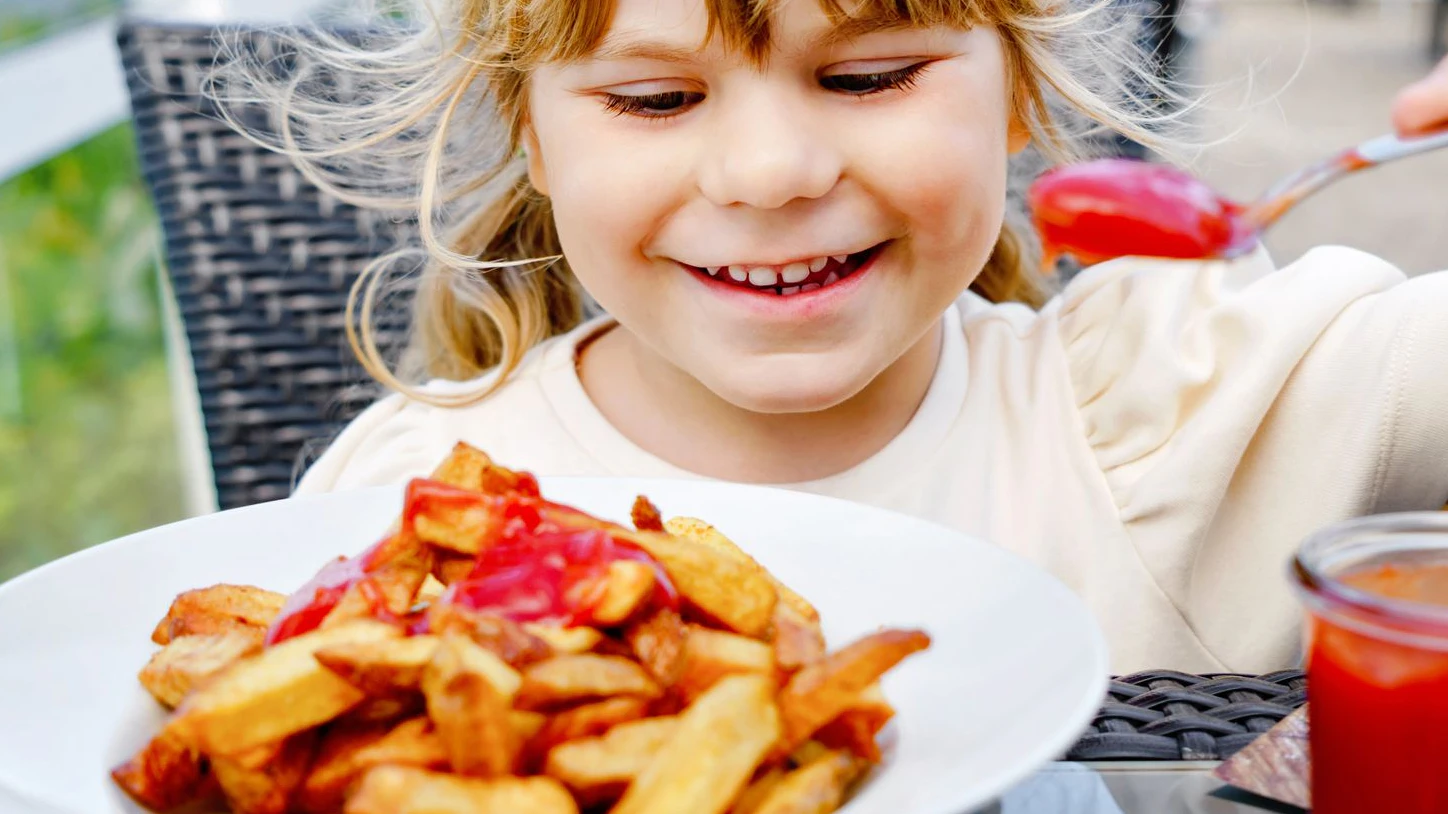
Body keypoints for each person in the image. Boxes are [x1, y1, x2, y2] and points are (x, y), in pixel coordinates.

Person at [237, 0, 1448, 675]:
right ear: (534, 140)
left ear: (1016, 90)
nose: (771, 172)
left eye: (869, 76)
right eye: (655, 99)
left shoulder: (1175, 403)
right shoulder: (403, 508)